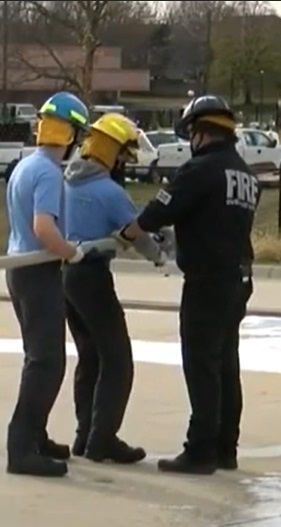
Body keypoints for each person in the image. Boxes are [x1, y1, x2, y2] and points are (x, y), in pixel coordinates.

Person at [118, 95, 257, 475]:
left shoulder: (200, 170)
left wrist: (129, 233)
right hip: (238, 278)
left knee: (201, 367)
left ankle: (200, 452)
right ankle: (226, 448)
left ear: (200, 133)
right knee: (226, 365)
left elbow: (160, 210)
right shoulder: (244, 174)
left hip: (206, 281)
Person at [62, 113, 168, 465]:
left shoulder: (65, 182)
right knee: (117, 359)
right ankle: (102, 439)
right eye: (123, 155)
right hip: (92, 277)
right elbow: (136, 234)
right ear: (111, 152)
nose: (125, 164)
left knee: (89, 357)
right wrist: (160, 257)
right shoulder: (110, 192)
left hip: (64, 277)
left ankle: (84, 436)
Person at [3, 91, 92, 478]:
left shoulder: (26, 165)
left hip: (18, 267)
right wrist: (70, 252)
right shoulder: (48, 172)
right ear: (71, 134)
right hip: (38, 270)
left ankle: (35, 437)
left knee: (36, 358)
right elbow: (44, 228)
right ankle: (21, 447)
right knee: (47, 362)